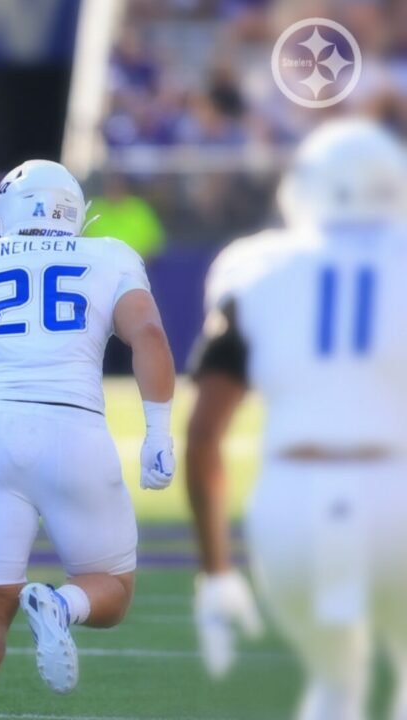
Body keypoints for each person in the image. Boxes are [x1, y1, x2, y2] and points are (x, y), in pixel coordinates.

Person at [0, 160, 176, 719]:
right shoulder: (108, 255)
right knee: (111, 590)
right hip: (74, 430)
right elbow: (149, 334)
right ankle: (61, 604)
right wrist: (158, 430)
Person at [186, 118, 407, 720]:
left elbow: (205, 434)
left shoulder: (254, 267)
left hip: (292, 505)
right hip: (395, 495)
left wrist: (215, 572)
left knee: (335, 685)